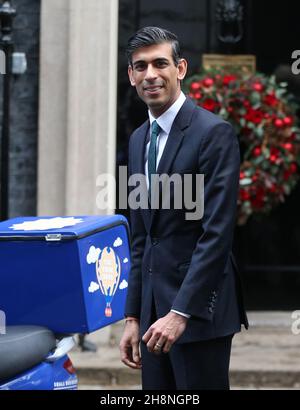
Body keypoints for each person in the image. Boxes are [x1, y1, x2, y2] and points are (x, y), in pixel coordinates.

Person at [119, 26, 248, 390]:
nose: (151, 75)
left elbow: (217, 234)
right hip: (152, 315)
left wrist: (181, 312)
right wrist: (133, 315)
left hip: (198, 314)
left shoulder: (213, 133)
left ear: (180, 69)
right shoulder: (138, 139)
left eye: (160, 63)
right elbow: (143, 236)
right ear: (131, 76)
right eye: (140, 66)